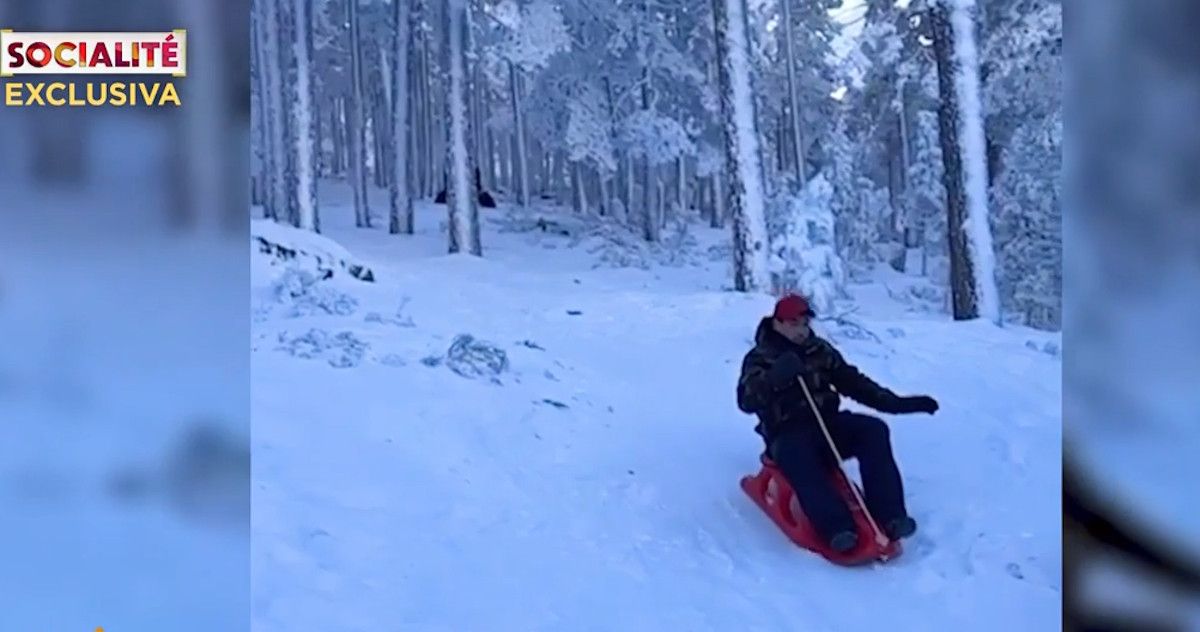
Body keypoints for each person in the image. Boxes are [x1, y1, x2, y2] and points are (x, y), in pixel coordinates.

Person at [736, 294, 939, 553]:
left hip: (827, 424)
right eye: (793, 324)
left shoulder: (818, 350)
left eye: (804, 324)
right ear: (777, 323)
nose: (800, 331)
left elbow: (854, 383)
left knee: (873, 430)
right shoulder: (760, 357)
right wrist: (776, 378)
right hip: (786, 432)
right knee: (800, 456)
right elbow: (746, 401)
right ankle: (837, 528)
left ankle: (891, 515)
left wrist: (899, 404)